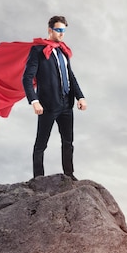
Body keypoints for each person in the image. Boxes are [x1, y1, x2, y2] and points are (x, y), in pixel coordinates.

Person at [22, 15, 87, 180]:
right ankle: (38, 178)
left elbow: (70, 76)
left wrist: (80, 96)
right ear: (50, 30)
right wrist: (34, 100)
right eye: (58, 30)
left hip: (66, 104)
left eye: (63, 31)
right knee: (41, 144)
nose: (61, 34)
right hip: (48, 104)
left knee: (68, 142)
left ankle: (69, 174)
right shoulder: (38, 50)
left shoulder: (63, 51)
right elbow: (27, 78)